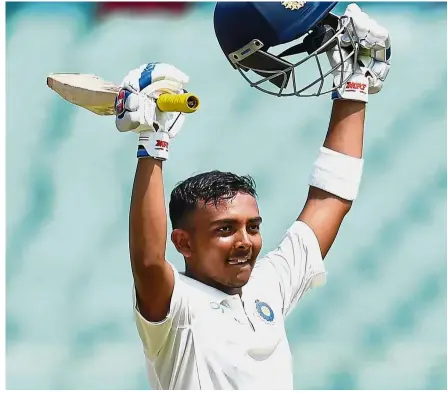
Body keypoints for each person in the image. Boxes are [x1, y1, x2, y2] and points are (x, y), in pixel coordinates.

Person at [114, 2, 391, 390]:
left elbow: (331, 198)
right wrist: (152, 145)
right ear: (183, 242)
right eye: (225, 229)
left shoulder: (269, 285)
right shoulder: (177, 308)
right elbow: (146, 261)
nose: (245, 241)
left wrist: (355, 85)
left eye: (253, 226)